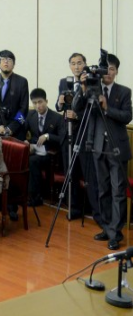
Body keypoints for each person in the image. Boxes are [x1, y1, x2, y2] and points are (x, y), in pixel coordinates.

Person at [74, 54, 131, 251]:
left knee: (117, 191)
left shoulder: (124, 92)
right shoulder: (91, 89)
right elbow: (76, 108)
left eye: (112, 69)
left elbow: (127, 116)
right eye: (105, 69)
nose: (108, 73)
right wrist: (82, 88)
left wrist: (107, 108)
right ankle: (107, 228)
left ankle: (116, 232)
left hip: (117, 149)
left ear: (116, 72)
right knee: (103, 189)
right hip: (98, 147)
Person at [56, 52, 92, 220]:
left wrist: (78, 116)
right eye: (73, 63)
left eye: (79, 63)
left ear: (85, 64)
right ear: (70, 66)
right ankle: (74, 207)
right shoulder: (64, 81)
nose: (76, 66)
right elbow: (58, 106)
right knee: (70, 173)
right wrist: (60, 102)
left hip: (83, 132)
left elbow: (92, 109)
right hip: (66, 133)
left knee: (85, 171)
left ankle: (91, 208)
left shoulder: (91, 83)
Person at [24, 88, 66, 207]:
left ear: (46, 101)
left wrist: (48, 136)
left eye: (40, 102)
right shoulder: (29, 115)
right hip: (34, 149)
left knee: (32, 161)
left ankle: (35, 197)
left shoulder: (57, 118)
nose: (38, 106)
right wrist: (25, 141)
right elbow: (22, 130)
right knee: (22, 157)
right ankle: (21, 193)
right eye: (35, 103)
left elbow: (62, 139)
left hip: (50, 154)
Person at [0, 50, 30, 137]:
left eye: (9, 59)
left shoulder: (22, 82)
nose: (6, 62)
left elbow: (24, 109)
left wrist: (12, 128)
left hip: (16, 131)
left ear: (14, 64)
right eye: (2, 59)